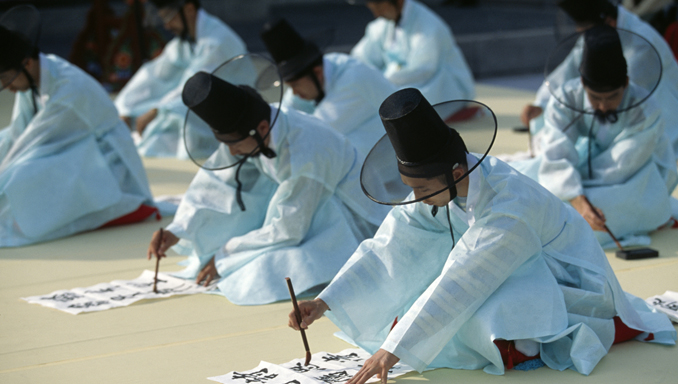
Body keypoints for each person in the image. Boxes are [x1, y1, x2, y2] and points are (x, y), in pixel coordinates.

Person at [287, 87, 676, 384]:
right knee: (418, 310)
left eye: (421, 188)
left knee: (473, 319)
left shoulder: (509, 205)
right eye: (412, 187)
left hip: (564, 280)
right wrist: (326, 300)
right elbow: (388, 246)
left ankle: (529, 342)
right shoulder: (439, 183)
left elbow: (462, 280)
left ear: (456, 171)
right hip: (514, 271)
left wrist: (394, 350)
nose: (416, 198)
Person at [147, 64, 391, 305]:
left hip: (344, 219)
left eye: (235, 144)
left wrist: (227, 254)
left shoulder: (306, 151)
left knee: (258, 273)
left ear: (262, 129)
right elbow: (213, 184)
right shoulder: (257, 124)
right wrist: (178, 229)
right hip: (302, 207)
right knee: (227, 238)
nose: (232, 151)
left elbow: (289, 229)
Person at [513, 25, 678, 247]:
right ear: (583, 84)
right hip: (583, 168)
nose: (603, 106)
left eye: (613, 97)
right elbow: (556, 150)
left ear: (625, 84)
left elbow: (620, 166)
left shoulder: (646, 109)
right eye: (595, 98)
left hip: (632, 177)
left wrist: (580, 195)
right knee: (529, 186)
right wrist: (577, 197)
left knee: (597, 210)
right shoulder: (567, 96)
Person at [0, 7, 155, 248]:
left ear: (26, 63)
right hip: (74, 149)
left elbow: (33, 144)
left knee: (23, 176)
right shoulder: (34, 76)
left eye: (6, 78)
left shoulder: (69, 89)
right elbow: (19, 134)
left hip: (109, 167)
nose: (7, 87)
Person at [520, 0, 678, 164]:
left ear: (609, 21)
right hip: (611, 117)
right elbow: (569, 69)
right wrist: (541, 104)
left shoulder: (642, 47)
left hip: (658, 122)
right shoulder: (599, 33)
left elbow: (627, 103)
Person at [114, 0, 247, 159]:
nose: (167, 26)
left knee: (159, 134)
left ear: (189, 9)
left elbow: (197, 88)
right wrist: (124, 108)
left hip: (230, 114)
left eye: (169, 17)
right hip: (197, 106)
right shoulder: (185, 41)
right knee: (148, 128)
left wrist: (155, 111)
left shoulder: (217, 41)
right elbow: (154, 75)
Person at [260, 18, 396, 158]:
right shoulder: (323, 67)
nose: (294, 92)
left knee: (321, 151)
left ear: (317, 73)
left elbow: (314, 133)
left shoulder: (353, 80)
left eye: (295, 85)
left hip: (396, 159)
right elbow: (286, 112)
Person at [349, 0, 475, 105]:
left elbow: (423, 69)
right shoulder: (382, 24)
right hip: (398, 82)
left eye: (379, 8)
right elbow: (361, 57)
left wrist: (382, 81)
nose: (376, 14)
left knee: (399, 105)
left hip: (442, 85)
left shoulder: (428, 25)